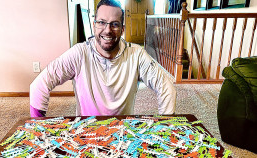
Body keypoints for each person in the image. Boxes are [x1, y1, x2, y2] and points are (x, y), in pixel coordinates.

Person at [30, 0, 176, 117]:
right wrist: (38, 127)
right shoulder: (79, 53)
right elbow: (39, 85)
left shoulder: (136, 54)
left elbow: (166, 87)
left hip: (124, 132)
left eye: (115, 24)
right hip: (86, 131)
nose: (107, 30)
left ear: (122, 29)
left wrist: (166, 125)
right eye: (101, 22)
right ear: (94, 25)